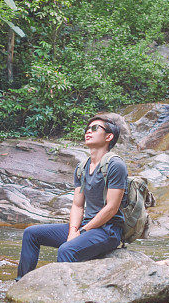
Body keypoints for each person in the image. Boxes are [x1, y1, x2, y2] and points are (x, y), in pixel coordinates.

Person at [16, 115, 128, 279]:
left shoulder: (115, 165)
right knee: (31, 233)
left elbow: (111, 208)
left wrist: (82, 231)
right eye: (87, 129)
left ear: (108, 136)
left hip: (108, 230)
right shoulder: (82, 167)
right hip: (85, 227)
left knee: (66, 250)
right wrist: (73, 231)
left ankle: (66, 299)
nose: (88, 131)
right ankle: (22, 283)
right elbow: (77, 205)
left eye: (95, 128)